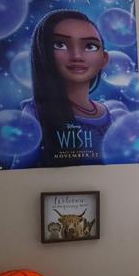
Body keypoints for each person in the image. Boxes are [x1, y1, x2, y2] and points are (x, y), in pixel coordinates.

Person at [21, 10, 114, 166]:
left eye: (90, 46)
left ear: (104, 59)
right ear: (43, 52)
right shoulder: (34, 114)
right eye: (60, 44)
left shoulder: (109, 114)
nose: (77, 56)